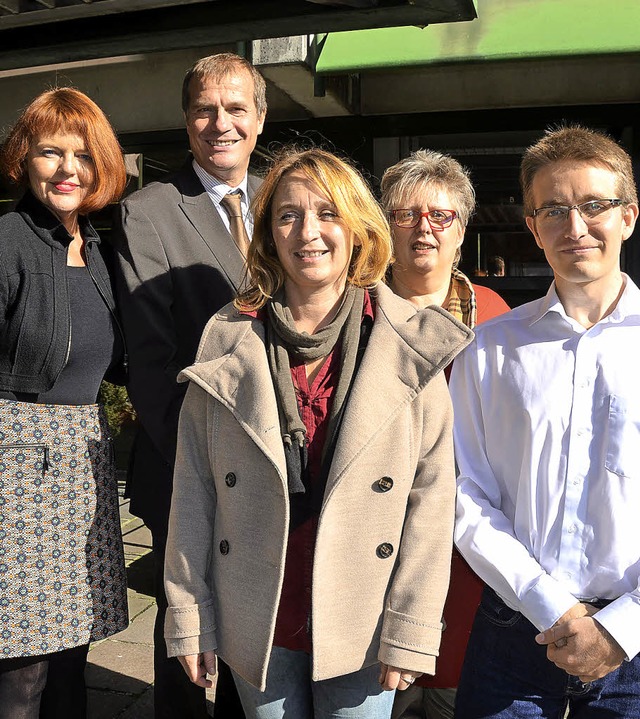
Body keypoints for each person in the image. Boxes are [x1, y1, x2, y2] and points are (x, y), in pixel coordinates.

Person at [163, 147, 473, 719]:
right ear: (267, 235)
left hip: (363, 615)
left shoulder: (408, 341)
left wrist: (412, 625)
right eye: (288, 215)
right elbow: (194, 491)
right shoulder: (229, 339)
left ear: (357, 228)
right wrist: (188, 614)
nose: (309, 232)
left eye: (328, 213)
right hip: (260, 608)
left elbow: (431, 499)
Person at [450, 125, 640, 717]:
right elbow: (464, 492)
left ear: (628, 216)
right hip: (514, 629)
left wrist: (622, 628)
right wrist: (550, 607)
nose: (575, 227)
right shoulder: (487, 347)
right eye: (553, 210)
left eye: (594, 206)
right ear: (532, 227)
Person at [113, 51, 266, 718]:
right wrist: (202, 464)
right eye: (205, 108)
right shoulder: (148, 212)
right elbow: (148, 360)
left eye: (235, 108)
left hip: (271, 456)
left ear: (259, 119)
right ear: (186, 121)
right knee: (184, 623)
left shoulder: (285, 199)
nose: (220, 122)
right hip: (188, 462)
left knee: (252, 617)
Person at [0, 87, 128, 718]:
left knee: (75, 656)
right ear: (24, 160)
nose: (67, 168)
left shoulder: (102, 252)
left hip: (85, 462)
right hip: (14, 469)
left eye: (81, 154)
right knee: (22, 671)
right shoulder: (6, 241)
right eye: (50, 152)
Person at [380, 149, 509, 719]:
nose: (423, 229)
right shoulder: (356, 309)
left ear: (462, 229)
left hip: (466, 556)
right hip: (380, 547)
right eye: (405, 215)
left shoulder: (499, 316)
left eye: (440, 215)